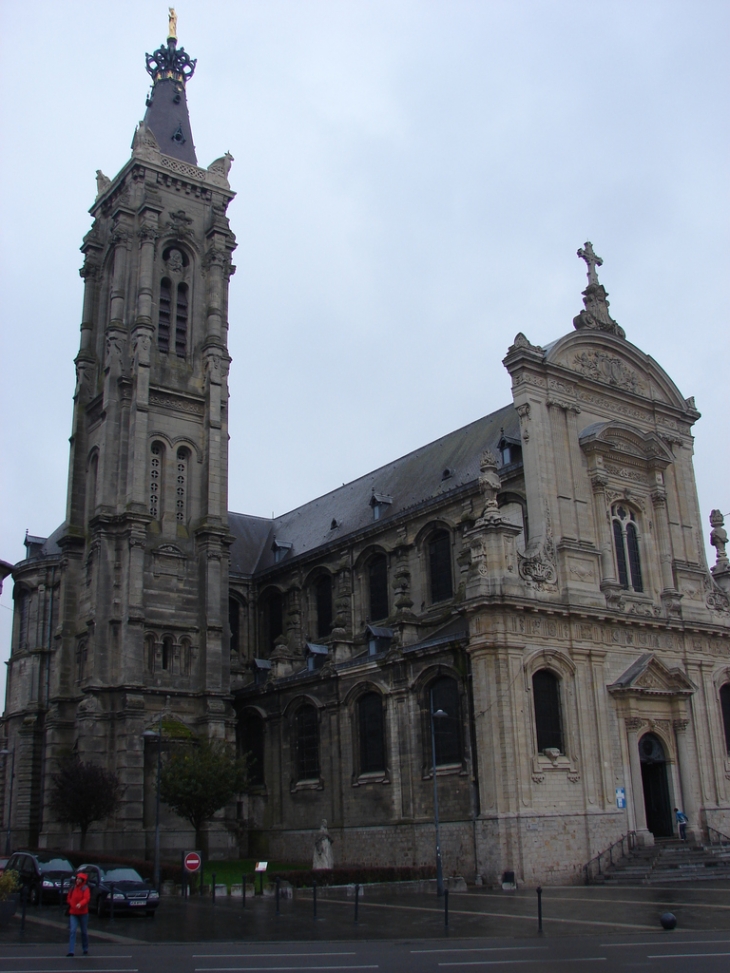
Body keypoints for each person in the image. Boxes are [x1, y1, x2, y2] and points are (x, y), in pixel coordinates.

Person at [66, 872, 90, 957]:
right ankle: (71, 951)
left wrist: (80, 904)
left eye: (79, 879)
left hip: (83, 913)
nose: (77, 880)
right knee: (72, 931)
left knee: (84, 932)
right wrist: (71, 903)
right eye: (77, 879)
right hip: (73, 912)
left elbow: (86, 898)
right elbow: (69, 897)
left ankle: (85, 948)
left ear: (83, 880)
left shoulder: (85, 888)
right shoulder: (73, 888)